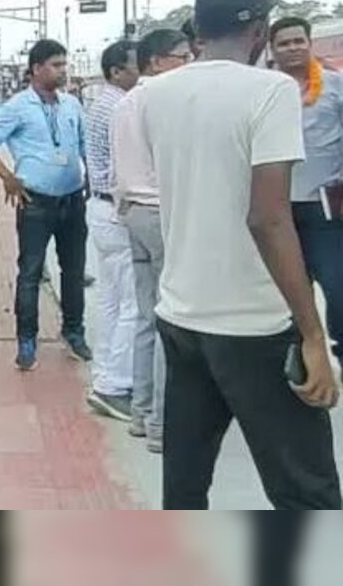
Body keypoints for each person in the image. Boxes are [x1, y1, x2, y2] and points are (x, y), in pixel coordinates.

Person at [140, 0, 340, 510]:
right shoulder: (271, 90)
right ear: (262, 27)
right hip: (254, 323)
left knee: (185, 482)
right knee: (307, 490)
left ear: (200, 26)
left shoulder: (153, 94)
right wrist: (313, 336)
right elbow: (269, 219)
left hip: (182, 315)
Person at [0, 39, 92, 371]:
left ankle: (74, 332)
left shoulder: (71, 104)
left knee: (73, 271)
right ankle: (27, 341)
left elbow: (83, 145)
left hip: (72, 200)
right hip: (36, 202)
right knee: (30, 273)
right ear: (36, 69)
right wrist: (7, 177)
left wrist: (90, 182)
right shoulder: (17, 106)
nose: (63, 71)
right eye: (56, 65)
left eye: (64, 65)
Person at [111, 28, 193, 453]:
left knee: (146, 318)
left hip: (132, 213)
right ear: (157, 61)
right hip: (162, 212)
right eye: (183, 56)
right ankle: (162, 424)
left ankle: (142, 413)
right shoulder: (167, 100)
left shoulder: (125, 103)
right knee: (170, 324)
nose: (190, 62)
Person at [269, 17, 343, 365]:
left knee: (338, 289)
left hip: (324, 209)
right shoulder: (266, 90)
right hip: (276, 210)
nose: (293, 48)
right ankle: (298, 363)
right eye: (284, 43)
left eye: (299, 41)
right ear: (273, 50)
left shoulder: (334, 86)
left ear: (310, 44)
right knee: (287, 295)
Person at [83, 40, 140, 422]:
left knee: (109, 298)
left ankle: (104, 371)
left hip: (99, 206)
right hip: (117, 211)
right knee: (133, 303)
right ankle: (115, 385)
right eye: (137, 65)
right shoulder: (121, 106)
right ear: (118, 70)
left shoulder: (100, 101)